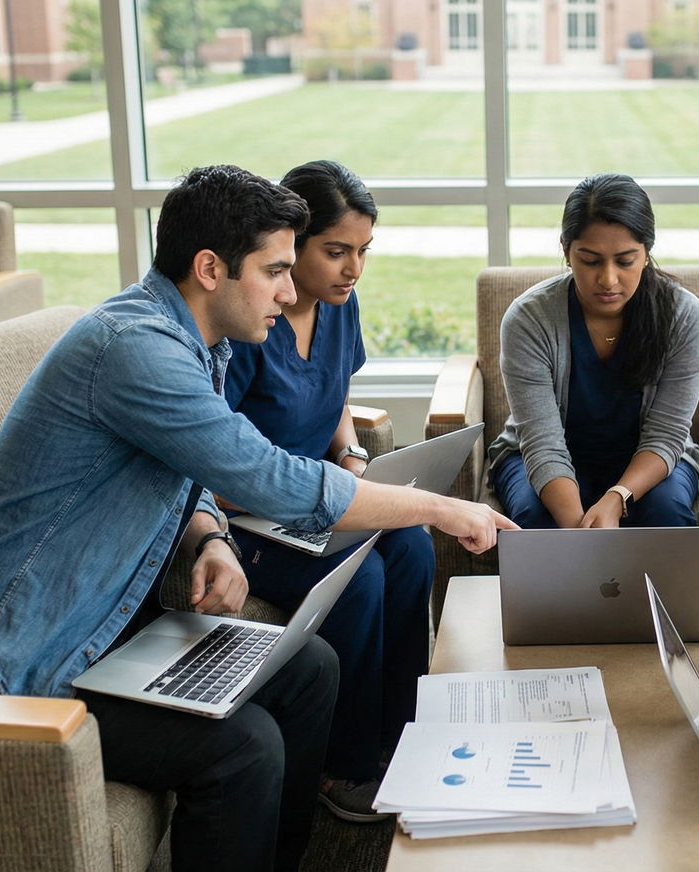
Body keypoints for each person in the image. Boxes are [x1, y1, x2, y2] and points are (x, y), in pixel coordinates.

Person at [0, 165, 514, 872]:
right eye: (276, 271)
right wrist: (441, 506)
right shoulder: (135, 349)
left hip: (103, 621)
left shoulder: (197, 343)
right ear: (209, 268)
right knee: (243, 748)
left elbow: (182, 469)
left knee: (311, 668)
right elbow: (266, 476)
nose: (291, 292)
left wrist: (211, 538)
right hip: (11, 663)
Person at [222, 159, 430, 822]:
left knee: (413, 548)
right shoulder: (248, 326)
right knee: (357, 577)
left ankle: (406, 734)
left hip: (319, 497)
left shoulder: (342, 307)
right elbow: (207, 462)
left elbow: (336, 394)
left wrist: (351, 453)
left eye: (363, 252)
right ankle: (345, 765)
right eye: (336, 252)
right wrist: (314, 490)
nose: (353, 270)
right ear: (290, 246)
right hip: (251, 515)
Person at [487, 172, 699, 529]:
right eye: (590, 261)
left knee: (666, 517)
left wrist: (617, 496)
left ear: (647, 253)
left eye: (625, 260)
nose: (608, 279)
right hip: (545, 454)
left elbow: (667, 433)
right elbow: (542, 443)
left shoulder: (683, 315)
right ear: (566, 250)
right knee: (535, 521)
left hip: (648, 456)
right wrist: (583, 536)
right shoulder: (529, 318)